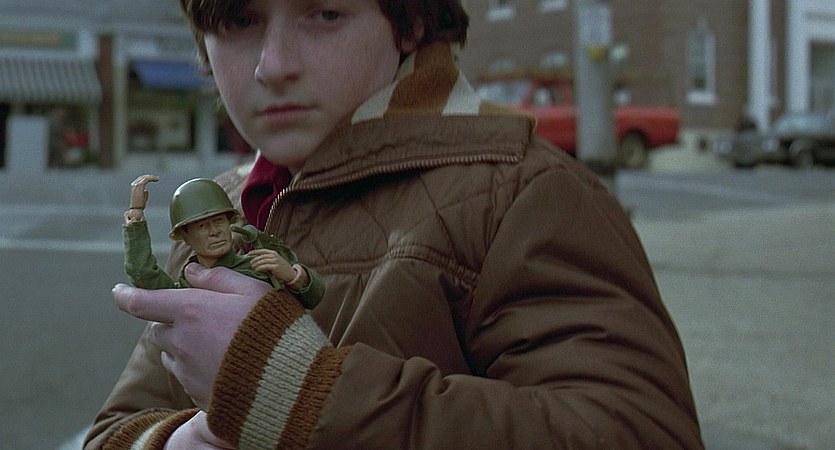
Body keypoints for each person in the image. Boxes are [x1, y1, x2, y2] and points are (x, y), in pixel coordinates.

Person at [86, 1, 705, 448]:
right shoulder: (220, 206)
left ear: (408, 23)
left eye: (324, 14)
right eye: (238, 20)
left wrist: (297, 391)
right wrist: (172, 441)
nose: (272, 66)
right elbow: (117, 427)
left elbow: (639, 432)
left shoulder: (524, 192)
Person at [122, 174, 323, 309]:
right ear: (185, 236)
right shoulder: (188, 286)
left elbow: (314, 297)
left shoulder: (259, 266)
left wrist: (292, 276)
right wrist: (136, 213)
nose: (214, 232)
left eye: (219, 221)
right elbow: (144, 274)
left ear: (229, 222)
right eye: (202, 226)